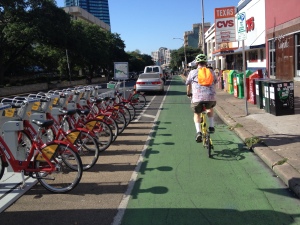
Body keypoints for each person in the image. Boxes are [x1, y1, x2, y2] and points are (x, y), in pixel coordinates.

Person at [185, 54, 217, 143]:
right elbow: (215, 82)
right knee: (210, 108)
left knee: (197, 113)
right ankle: (211, 126)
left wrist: (188, 93)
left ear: (197, 63)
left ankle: (198, 132)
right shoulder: (211, 71)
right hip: (211, 97)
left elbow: (188, 84)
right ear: (206, 63)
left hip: (197, 98)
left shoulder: (192, 72)